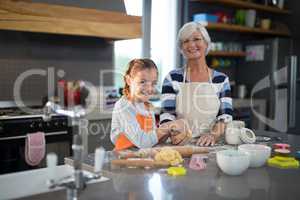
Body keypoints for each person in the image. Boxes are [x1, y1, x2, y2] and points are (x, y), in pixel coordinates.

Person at [160, 22, 233, 146]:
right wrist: (174, 132)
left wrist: (213, 135)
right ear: (181, 47)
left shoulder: (221, 79)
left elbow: (225, 117)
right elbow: (167, 114)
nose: (191, 44)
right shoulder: (172, 78)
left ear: (206, 43)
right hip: (179, 144)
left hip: (210, 144)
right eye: (186, 41)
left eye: (196, 39)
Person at [111, 58, 189, 151]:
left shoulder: (147, 106)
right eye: (142, 82)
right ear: (128, 80)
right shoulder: (123, 106)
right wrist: (168, 126)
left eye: (153, 83)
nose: (149, 89)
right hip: (123, 157)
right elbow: (142, 142)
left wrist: (171, 132)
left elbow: (152, 139)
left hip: (142, 157)